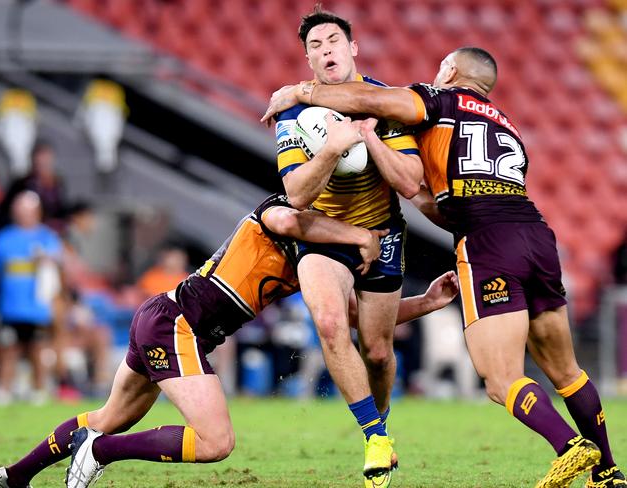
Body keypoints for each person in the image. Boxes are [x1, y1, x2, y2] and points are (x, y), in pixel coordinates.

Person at [262, 46, 626, 488]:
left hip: (489, 241)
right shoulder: (505, 125)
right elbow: (442, 202)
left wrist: (301, 92)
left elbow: (377, 101)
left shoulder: (441, 99)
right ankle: (609, 473)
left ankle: (570, 446)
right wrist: (406, 184)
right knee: (567, 371)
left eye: (441, 67)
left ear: (451, 70)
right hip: (536, 235)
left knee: (500, 378)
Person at [0, 193, 458, 488]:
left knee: (107, 417)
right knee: (216, 441)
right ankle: (100, 451)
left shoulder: (310, 263)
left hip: (164, 318)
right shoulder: (280, 210)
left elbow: (354, 315)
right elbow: (290, 222)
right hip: (175, 323)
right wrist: (361, 235)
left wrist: (427, 302)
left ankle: (17, 475)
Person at [273, 8, 424, 486]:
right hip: (325, 236)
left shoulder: (384, 100)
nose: (326, 51)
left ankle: (378, 433)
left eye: (333, 41)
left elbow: (410, 182)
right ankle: (375, 439)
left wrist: (367, 137)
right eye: (315, 46)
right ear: (308, 59)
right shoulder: (292, 115)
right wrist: (333, 147)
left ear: (353, 48)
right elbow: (296, 194)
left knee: (378, 353)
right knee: (331, 321)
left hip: (384, 233)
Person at [0, 191, 63, 406]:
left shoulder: (46, 237)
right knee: (10, 347)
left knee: (36, 348)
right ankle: (4, 390)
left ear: (37, 212)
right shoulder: (4, 239)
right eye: (20, 210)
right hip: (10, 307)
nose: (24, 214)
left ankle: (39, 390)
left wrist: (47, 258)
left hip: (37, 308)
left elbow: (59, 262)